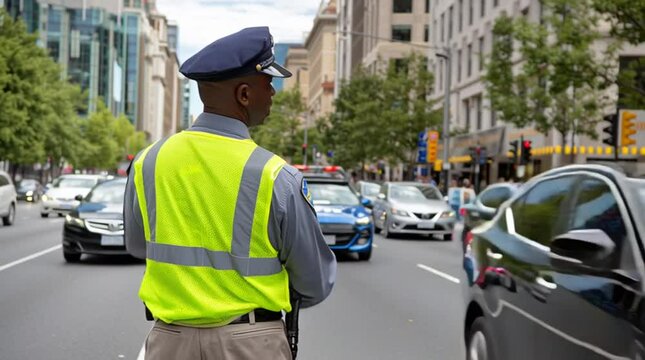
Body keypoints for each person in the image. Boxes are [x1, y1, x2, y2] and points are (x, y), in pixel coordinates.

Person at [124, 27, 336, 360]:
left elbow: (138, 245)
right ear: (244, 95)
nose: (274, 93)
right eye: (268, 83)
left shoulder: (148, 160)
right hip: (251, 344)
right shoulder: (276, 175)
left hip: (169, 341)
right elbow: (314, 283)